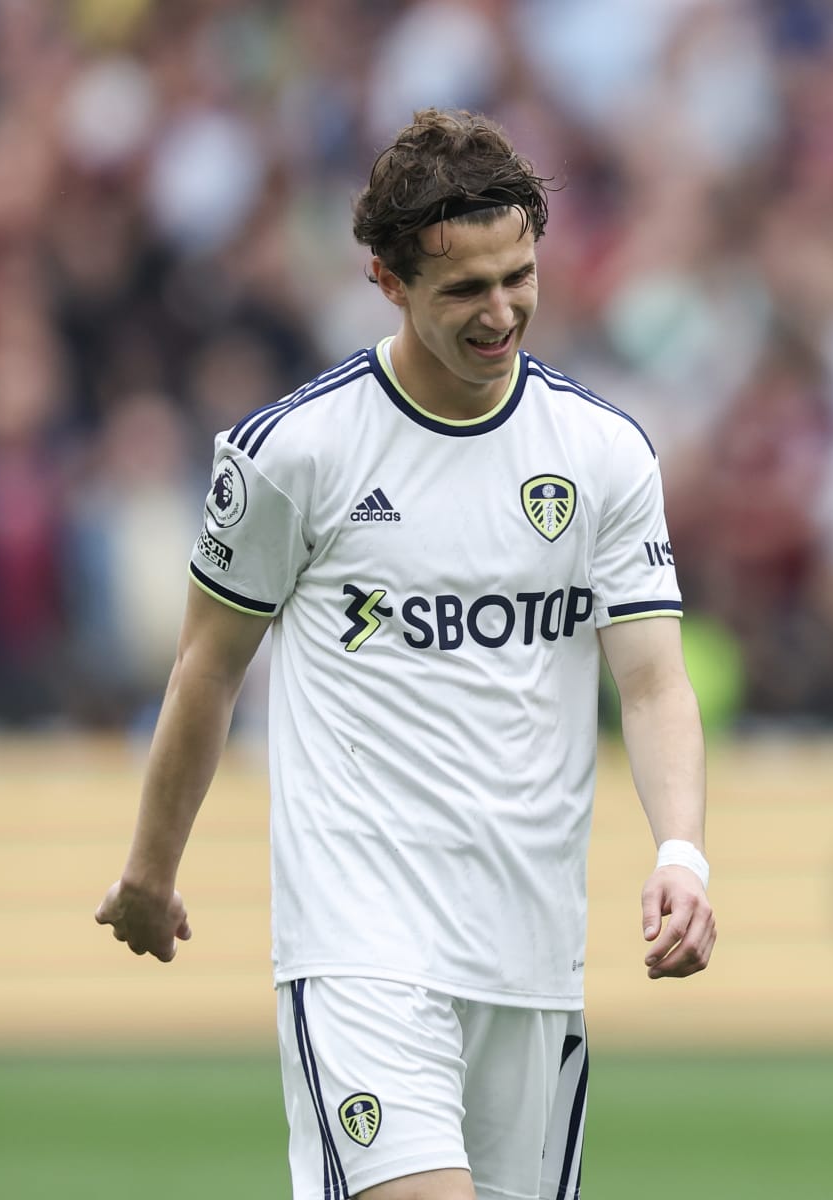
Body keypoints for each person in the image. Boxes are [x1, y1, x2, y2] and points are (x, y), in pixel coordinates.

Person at [94, 108, 715, 1200]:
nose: (502, 312)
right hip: (361, 947)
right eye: (465, 289)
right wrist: (151, 869)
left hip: (531, 958)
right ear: (387, 281)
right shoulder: (296, 453)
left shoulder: (603, 453)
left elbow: (655, 682)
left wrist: (682, 855)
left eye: (519, 277)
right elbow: (208, 669)